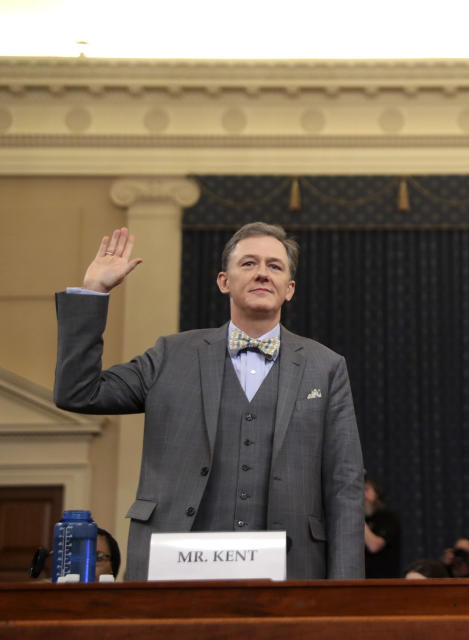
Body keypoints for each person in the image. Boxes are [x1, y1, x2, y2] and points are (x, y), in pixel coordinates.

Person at [53, 223, 365, 581]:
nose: (262, 273)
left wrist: (346, 589)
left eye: (274, 266)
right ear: (223, 281)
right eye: (248, 263)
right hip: (175, 564)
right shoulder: (170, 355)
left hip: (291, 569)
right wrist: (93, 293)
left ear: (289, 289)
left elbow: (344, 484)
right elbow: (78, 391)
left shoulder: (326, 366)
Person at [363, 473, 403, 578]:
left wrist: (356, 517)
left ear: (377, 494)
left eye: (366, 490)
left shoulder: (387, 517)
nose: (362, 495)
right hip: (363, 580)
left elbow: (374, 546)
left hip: (384, 581)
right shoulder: (365, 518)